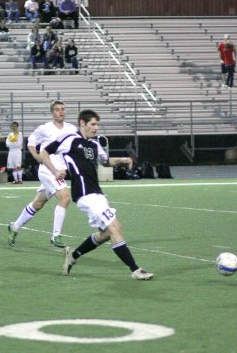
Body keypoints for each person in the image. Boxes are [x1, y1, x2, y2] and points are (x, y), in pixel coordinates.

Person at [39, 109, 154, 280]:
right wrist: (55, 171)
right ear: (82, 123)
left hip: (97, 193)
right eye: (93, 124)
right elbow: (44, 152)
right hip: (84, 193)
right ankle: (135, 270)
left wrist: (123, 160)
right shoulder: (70, 139)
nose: (96, 128)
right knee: (116, 227)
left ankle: (73, 256)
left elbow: (105, 161)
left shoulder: (94, 144)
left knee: (107, 233)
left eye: (97, 124)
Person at [7, 100, 77, 249]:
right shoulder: (45, 128)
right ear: (52, 113)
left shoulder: (72, 128)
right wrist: (36, 155)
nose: (61, 112)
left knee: (38, 204)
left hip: (60, 170)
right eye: (57, 110)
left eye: (63, 109)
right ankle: (55, 235)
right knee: (65, 198)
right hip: (48, 170)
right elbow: (31, 141)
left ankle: (15, 226)